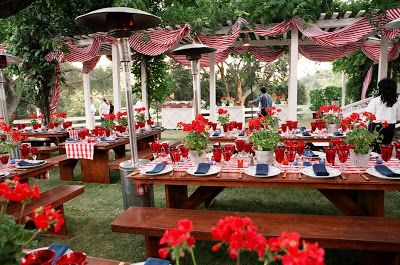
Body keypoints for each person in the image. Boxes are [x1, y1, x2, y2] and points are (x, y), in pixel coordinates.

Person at [366, 78, 400, 152]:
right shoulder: (397, 102)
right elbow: (398, 117)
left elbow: (369, 115)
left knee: (373, 149)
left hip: (375, 127)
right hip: (389, 128)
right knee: (385, 150)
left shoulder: (375, 101)